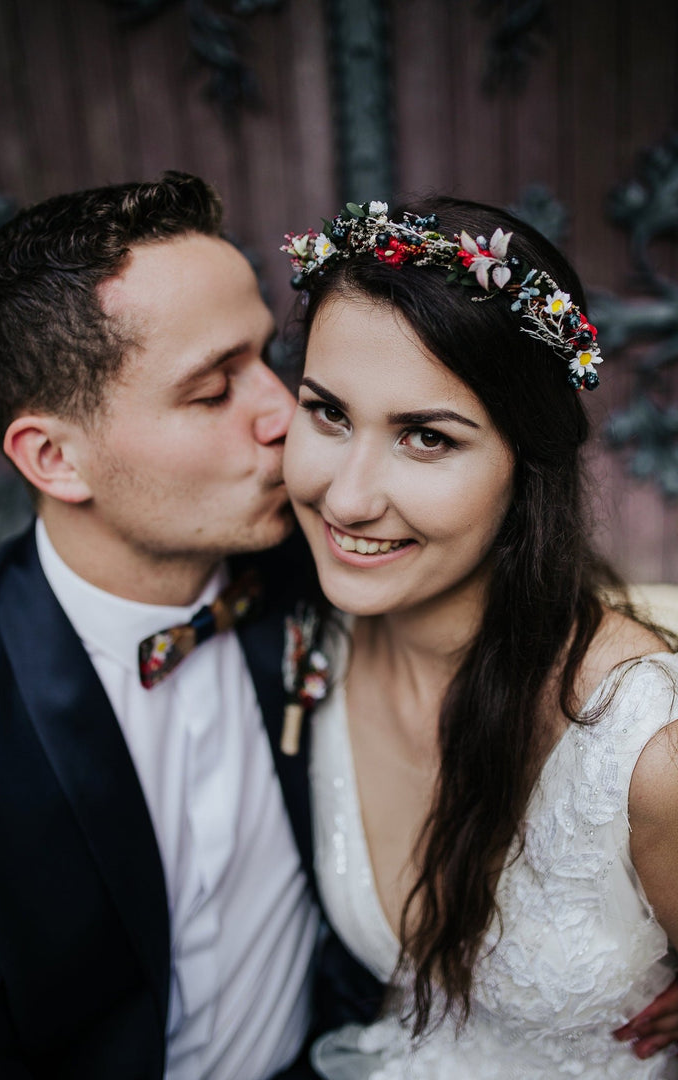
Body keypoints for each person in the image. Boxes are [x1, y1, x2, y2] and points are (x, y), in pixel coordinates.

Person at [0, 172, 380, 1080]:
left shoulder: (339, 557)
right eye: (211, 390)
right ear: (54, 457)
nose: (284, 411)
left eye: (267, 357)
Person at [281, 196, 678, 1078]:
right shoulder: (312, 634)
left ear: (524, 466)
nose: (347, 498)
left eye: (426, 437)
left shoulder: (643, 753)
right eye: (329, 413)